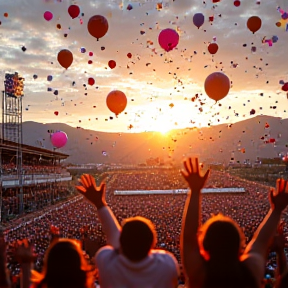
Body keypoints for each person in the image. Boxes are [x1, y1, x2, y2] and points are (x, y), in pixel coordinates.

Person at [180, 157, 288, 288]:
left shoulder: (199, 273)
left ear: (205, 244)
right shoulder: (250, 270)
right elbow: (261, 241)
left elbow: (189, 239)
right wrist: (276, 210)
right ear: (239, 243)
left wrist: (195, 191)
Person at [76, 174, 179, 288]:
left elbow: (116, 238)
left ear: (122, 241)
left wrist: (100, 204)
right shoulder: (166, 264)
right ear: (153, 243)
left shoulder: (105, 260)